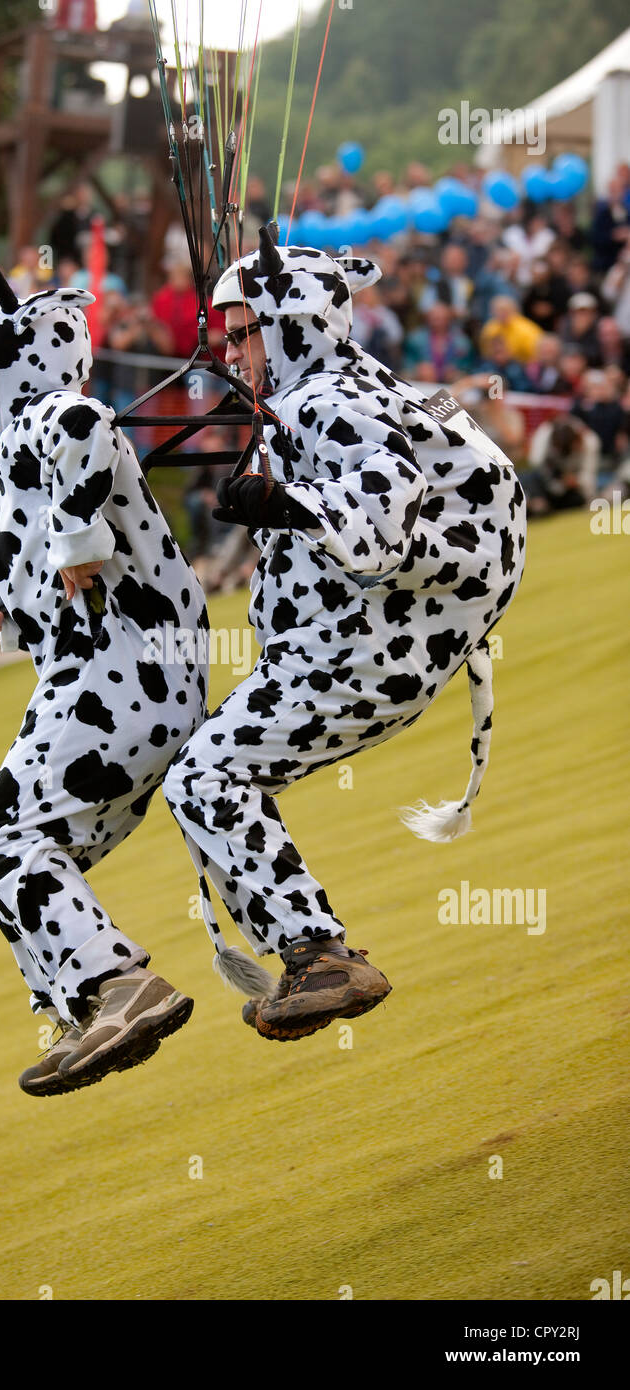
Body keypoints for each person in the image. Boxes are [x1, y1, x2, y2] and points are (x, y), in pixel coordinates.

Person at [162, 230, 526, 1042]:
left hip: (364, 655)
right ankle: (312, 953)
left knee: (204, 781)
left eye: (243, 329)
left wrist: (288, 507)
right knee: (208, 774)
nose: (229, 348)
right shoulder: (346, 386)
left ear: (291, 325)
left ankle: (320, 956)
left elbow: (383, 508)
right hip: (382, 645)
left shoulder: (323, 400)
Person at [0, 248, 209, 1097]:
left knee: (5, 844)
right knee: (10, 852)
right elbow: (55, 569)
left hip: (124, 672)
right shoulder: (19, 446)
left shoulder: (52, 416)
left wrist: (74, 542)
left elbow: (88, 432)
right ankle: (84, 1003)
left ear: (17, 366)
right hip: (108, 674)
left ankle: (117, 988)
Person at [524, 415, 599, 516]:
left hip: (572, 488)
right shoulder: (544, 434)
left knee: (577, 499)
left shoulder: (590, 442)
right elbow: (535, 463)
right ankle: (537, 504)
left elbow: (589, 478)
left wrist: (576, 480)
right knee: (529, 477)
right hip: (547, 480)